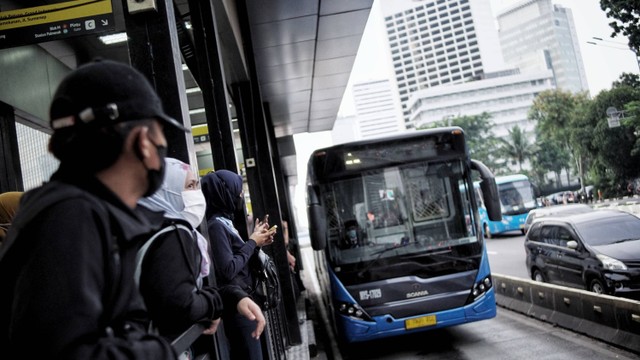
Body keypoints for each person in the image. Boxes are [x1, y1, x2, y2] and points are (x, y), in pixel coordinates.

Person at [0, 59, 186, 358]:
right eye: (162, 133)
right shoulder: (72, 217)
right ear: (143, 142)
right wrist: (157, 352)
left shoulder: (77, 211)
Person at [136, 158, 265, 344]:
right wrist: (215, 304)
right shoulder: (172, 237)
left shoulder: (179, 233)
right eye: (190, 185)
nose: (196, 193)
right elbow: (181, 301)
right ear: (166, 191)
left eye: (197, 185)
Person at [201, 170, 275, 360]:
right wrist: (251, 243)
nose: (240, 196)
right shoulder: (216, 226)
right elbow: (228, 269)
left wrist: (257, 243)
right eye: (237, 191)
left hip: (246, 302)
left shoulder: (225, 222)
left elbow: (240, 259)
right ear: (223, 193)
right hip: (238, 308)